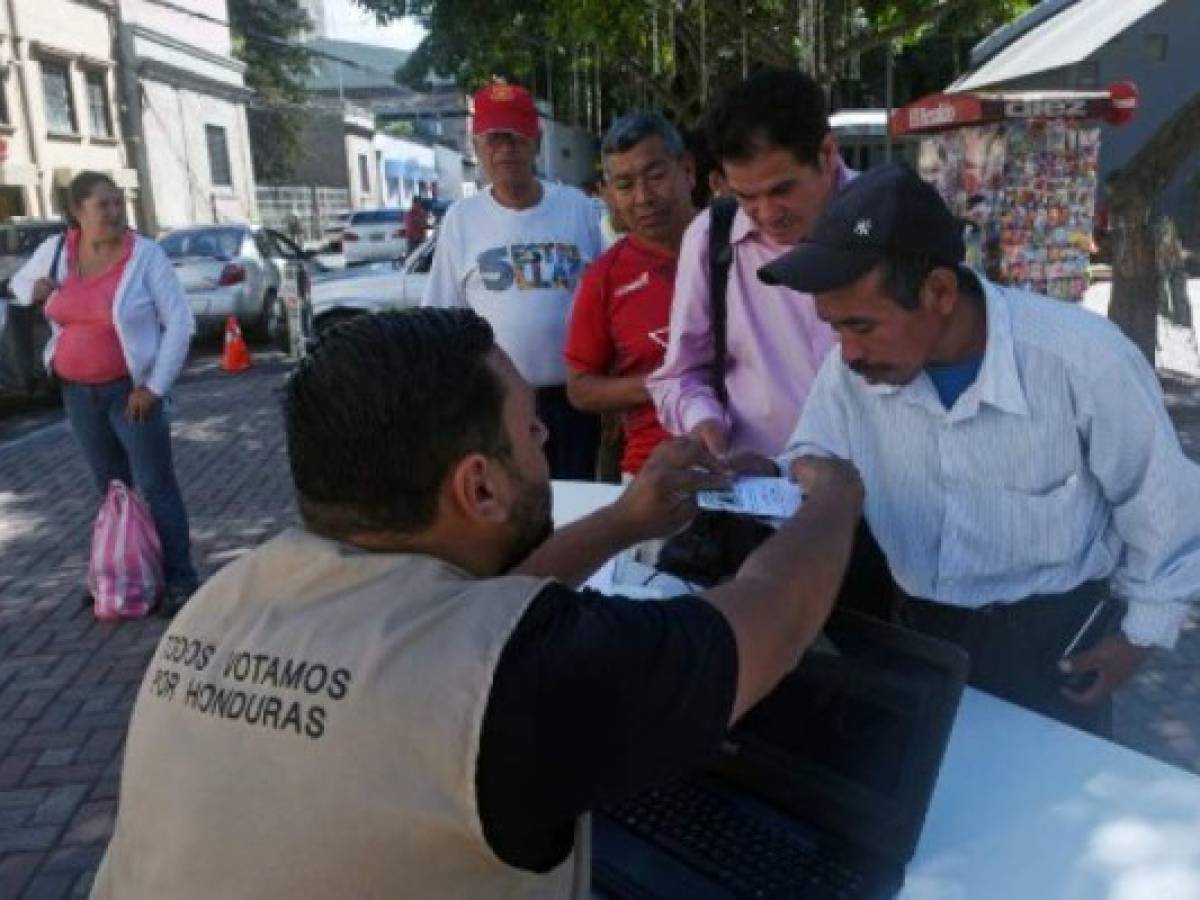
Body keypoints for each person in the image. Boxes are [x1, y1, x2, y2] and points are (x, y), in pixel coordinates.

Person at [90, 308, 863, 899]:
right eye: (530, 430)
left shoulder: (227, 596)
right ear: (480, 486)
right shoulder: (521, 683)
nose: (545, 444)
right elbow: (775, 615)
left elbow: (450, 623)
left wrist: (627, 519)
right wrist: (834, 498)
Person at [759, 161, 1200, 735]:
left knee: (1043, 810)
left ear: (939, 291)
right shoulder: (851, 375)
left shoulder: (1081, 362)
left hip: (1049, 644)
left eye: (863, 327)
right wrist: (797, 475)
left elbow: (1160, 500)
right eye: (834, 328)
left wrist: (1140, 635)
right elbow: (812, 450)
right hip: (918, 634)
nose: (846, 353)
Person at [11, 171, 198, 615]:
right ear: (78, 212)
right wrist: (32, 289)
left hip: (132, 394)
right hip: (78, 394)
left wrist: (153, 387)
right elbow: (18, 285)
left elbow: (181, 324)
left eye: (119, 203)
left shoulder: (145, 256)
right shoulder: (57, 251)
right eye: (104, 205)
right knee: (111, 489)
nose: (115, 212)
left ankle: (180, 579)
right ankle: (121, 573)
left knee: (154, 486)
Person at [646, 66, 852, 459]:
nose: (768, 213)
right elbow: (680, 374)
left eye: (782, 190)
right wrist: (703, 420)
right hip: (764, 492)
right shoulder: (711, 237)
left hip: (884, 492)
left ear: (827, 154)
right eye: (746, 197)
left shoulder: (884, 219)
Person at [423, 82, 603, 480]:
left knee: (576, 504)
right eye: (493, 139)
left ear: (536, 143)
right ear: (477, 146)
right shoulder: (462, 219)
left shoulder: (577, 208)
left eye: (515, 138)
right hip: (498, 405)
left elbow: (609, 299)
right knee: (512, 515)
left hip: (575, 401)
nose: (504, 149)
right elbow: (442, 321)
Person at [564, 112, 696, 479]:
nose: (643, 198)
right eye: (624, 185)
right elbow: (581, 389)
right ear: (607, 194)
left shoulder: (740, 242)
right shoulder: (603, 279)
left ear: (687, 170)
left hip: (760, 462)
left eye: (656, 176)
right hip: (657, 473)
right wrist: (661, 386)